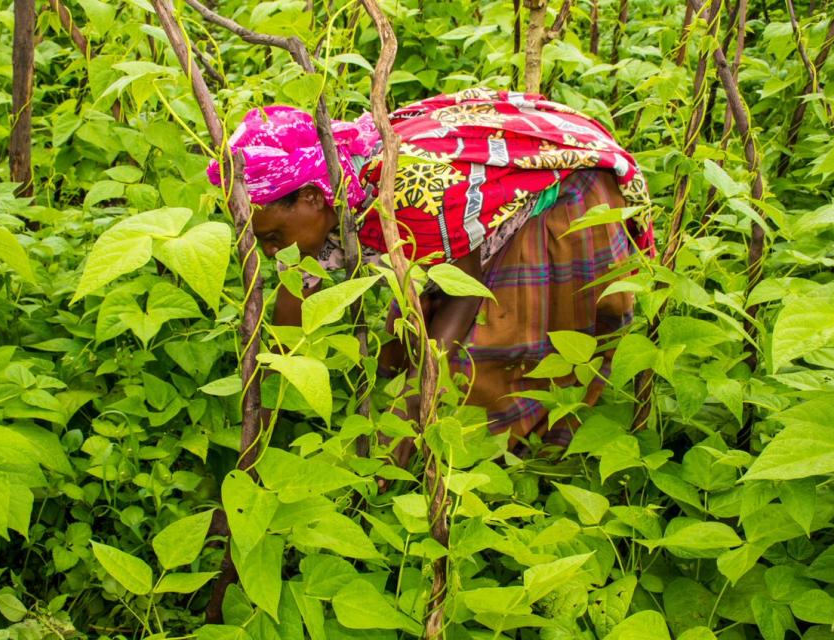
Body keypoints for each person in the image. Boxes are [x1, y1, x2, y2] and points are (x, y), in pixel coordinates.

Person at [208, 88, 653, 449]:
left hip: (565, 188)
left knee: (504, 346)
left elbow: (463, 284)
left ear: (310, 198)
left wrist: (412, 399)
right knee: (415, 342)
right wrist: (264, 426)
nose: (268, 252)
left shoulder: (409, 199)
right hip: (466, 220)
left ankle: (531, 463)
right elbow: (292, 320)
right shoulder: (327, 197)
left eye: (270, 238)